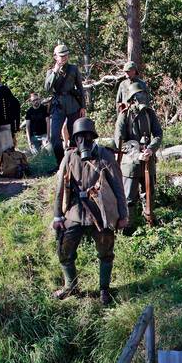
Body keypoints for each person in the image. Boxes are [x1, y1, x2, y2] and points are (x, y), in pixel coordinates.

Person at [51, 117, 128, 304]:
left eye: (86, 136)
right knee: (64, 250)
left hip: (101, 213)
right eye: (79, 137)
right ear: (74, 139)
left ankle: (104, 290)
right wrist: (57, 216)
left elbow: (118, 186)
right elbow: (60, 187)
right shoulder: (69, 156)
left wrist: (123, 215)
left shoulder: (105, 155)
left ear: (93, 137)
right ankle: (71, 286)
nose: (83, 141)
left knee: (106, 251)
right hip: (75, 212)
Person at [114, 85, 163, 228]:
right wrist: (137, 154)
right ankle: (128, 228)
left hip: (148, 160)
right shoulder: (124, 115)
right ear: (132, 98)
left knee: (149, 194)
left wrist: (150, 149)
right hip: (130, 163)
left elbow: (158, 134)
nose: (143, 98)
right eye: (139, 95)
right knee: (129, 198)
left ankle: (149, 223)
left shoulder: (150, 113)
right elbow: (120, 142)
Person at [44, 43, 87, 163]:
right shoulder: (50, 71)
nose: (64, 58)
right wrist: (55, 71)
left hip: (73, 104)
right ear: (55, 57)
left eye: (66, 55)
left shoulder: (73, 68)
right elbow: (47, 88)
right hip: (58, 106)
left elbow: (80, 88)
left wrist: (83, 106)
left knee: (75, 134)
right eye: (61, 56)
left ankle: (75, 162)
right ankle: (61, 162)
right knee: (54, 137)